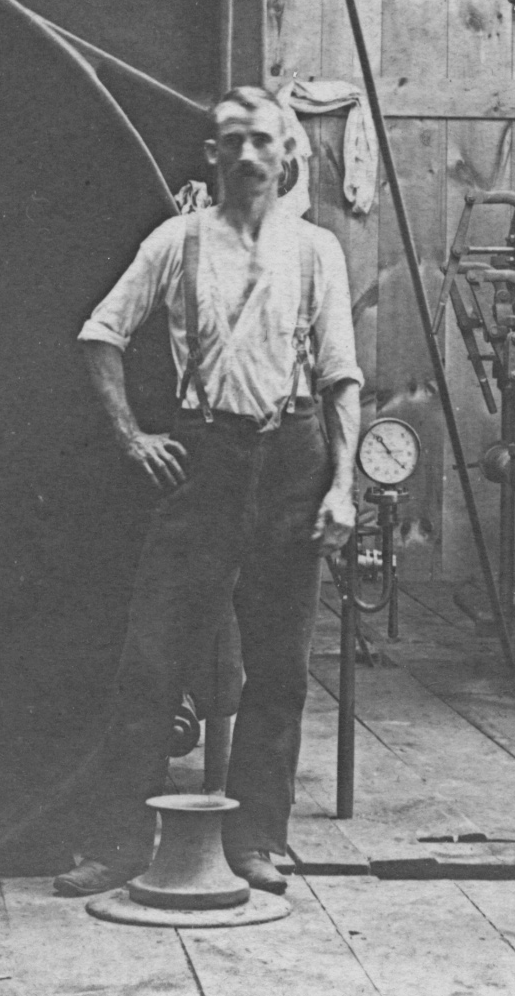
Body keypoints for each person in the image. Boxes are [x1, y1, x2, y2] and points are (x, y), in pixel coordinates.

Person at [56, 86, 363, 898]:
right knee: (151, 661)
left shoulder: (316, 251)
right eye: (231, 142)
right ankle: (119, 842)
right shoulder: (177, 241)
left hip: (293, 462)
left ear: (286, 154)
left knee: (281, 670)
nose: (248, 156)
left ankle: (257, 841)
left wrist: (342, 487)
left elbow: (341, 380)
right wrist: (132, 437)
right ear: (212, 156)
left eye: (262, 141)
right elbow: (101, 333)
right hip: (205, 460)